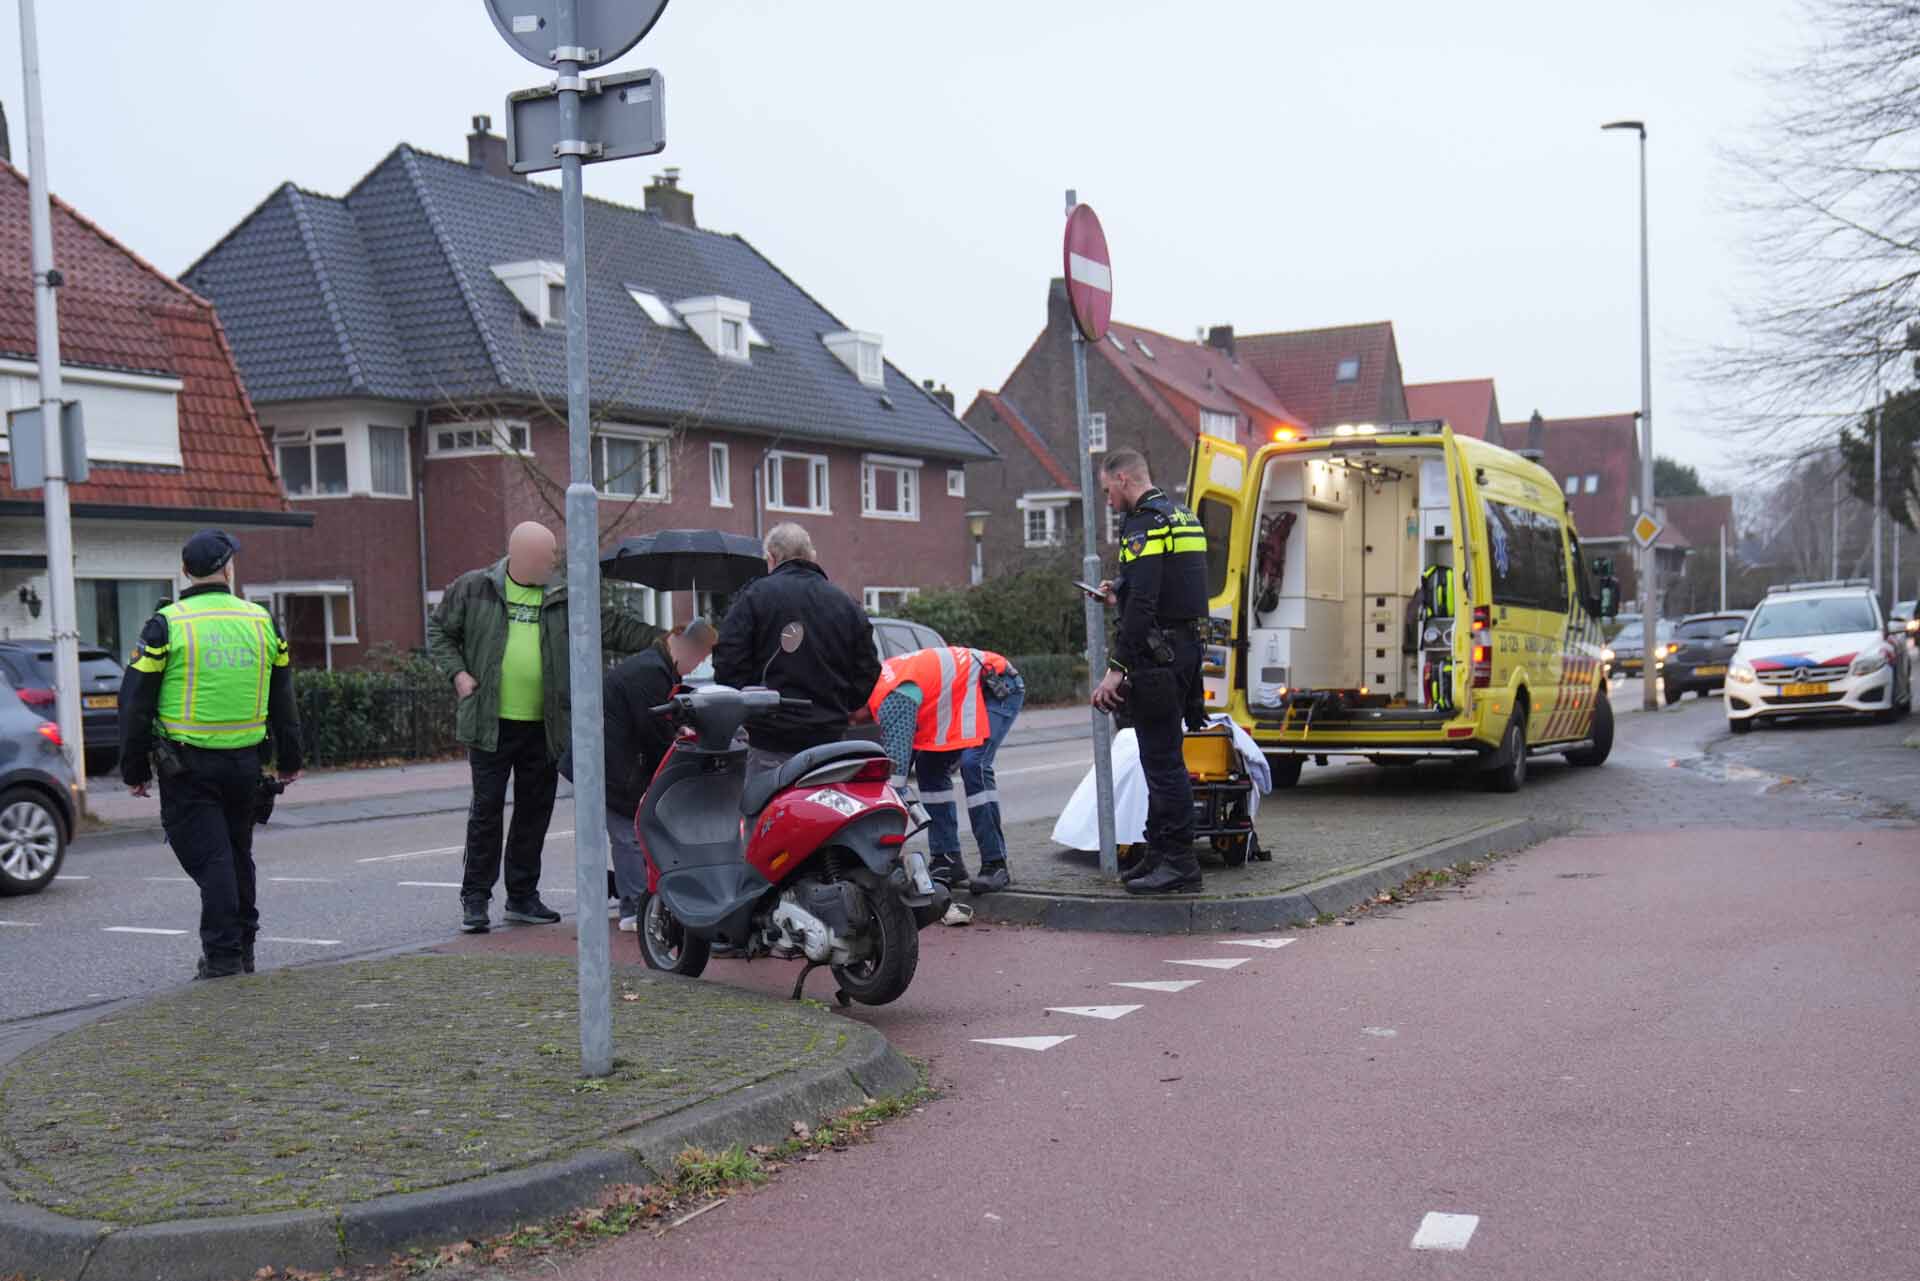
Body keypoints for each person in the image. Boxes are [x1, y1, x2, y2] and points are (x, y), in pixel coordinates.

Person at [428, 521, 663, 934]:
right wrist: (458, 675)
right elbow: (439, 631)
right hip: (490, 723)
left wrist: (668, 640)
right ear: (519, 557)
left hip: (546, 725)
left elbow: (612, 628)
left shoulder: (563, 597)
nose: (553, 562)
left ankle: (522, 897)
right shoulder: (474, 588)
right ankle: (476, 900)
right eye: (546, 556)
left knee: (534, 813)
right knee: (486, 813)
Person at [119, 530, 304, 979]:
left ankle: (223, 957)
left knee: (212, 859)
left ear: (185, 572)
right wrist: (291, 758)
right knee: (237, 853)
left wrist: (134, 768)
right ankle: (244, 948)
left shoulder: (167, 624)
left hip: (188, 766)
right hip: (245, 765)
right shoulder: (262, 622)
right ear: (227, 569)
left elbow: (136, 700)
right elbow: (284, 696)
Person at [1091, 450, 1210, 896]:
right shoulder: (1183, 517)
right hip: (1185, 650)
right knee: (1161, 758)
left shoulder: (1144, 523)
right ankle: (1159, 851)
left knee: (1162, 764)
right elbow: (1172, 584)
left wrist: (1116, 669)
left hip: (1155, 656)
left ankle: (1180, 862)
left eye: (1107, 489)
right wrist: (1120, 589)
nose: (1108, 499)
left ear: (1123, 479)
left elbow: (1144, 604)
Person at [712, 522, 880, 777]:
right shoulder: (846, 604)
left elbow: (727, 662)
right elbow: (868, 667)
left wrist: (750, 707)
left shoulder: (753, 598)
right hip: (829, 742)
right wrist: (841, 705)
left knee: (764, 810)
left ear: (771, 558)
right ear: (812, 556)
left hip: (770, 742)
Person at [863, 646, 1025, 895]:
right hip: (965, 696)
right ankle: (947, 860)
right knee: (929, 767)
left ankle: (996, 864)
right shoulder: (884, 685)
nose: (849, 721)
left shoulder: (892, 698)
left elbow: (896, 778)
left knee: (975, 764)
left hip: (997, 686)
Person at [601, 621, 717, 930]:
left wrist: (677, 729)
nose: (700, 663)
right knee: (628, 834)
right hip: (614, 763)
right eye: (700, 655)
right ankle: (634, 908)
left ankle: (630, 897)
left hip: (614, 758)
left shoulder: (658, 667)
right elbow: (651, 726)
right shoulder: (651, 672)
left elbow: (658, 717)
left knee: (630, 834)